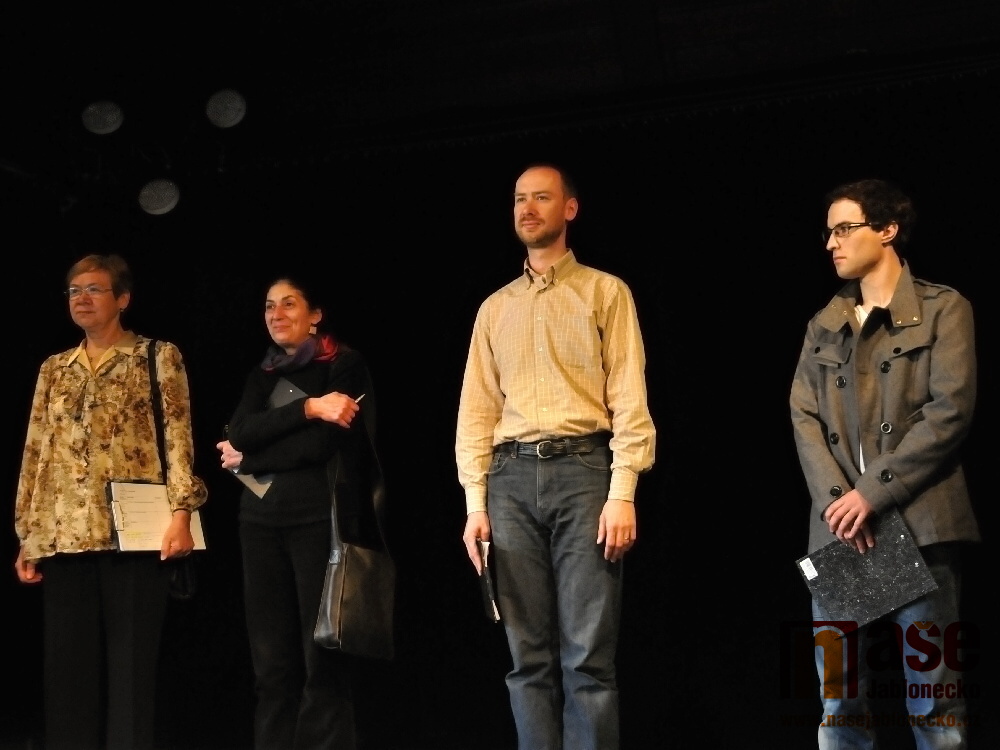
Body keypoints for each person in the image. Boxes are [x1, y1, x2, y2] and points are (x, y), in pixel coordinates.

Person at [455, 163, 656, 750]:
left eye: (541, 197)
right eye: (519, 198)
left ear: (569, 208)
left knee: (588, 656)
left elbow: (629, 397)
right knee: (526, 657)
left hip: (584, 471)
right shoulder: (495, 308)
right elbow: (477, 411)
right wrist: (475, 503)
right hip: (510, 479)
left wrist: (623, 491)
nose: (527, 208)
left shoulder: (605, 292)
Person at [789, 178, 982, 748]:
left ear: (888, 230)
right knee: (840, 703)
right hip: (841, 532)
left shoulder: (944, 309)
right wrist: (840, 504)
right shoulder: (825, 322)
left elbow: (949, 412)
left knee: (933, 699)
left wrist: (871, 495)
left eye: (844, 229)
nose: (831, 242)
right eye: (828, 232)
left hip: (918, 523)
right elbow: (803, 416)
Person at [13, 253, 208, 750]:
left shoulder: (156, 356)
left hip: (134, 536)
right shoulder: (55, 368)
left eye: (94, 289)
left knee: (131, 676)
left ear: (122, 298)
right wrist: (27, 534)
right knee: (68, 676)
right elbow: (36, 451)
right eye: (74, 290)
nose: (81, 298)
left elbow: (178, 437)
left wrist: (182, 513)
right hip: (65, 536)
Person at [216, 275, 374, 750]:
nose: (276, 314)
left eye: (288, 304)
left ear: (315, 315)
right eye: (269, 306)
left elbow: (321, 446)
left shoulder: (343, 364)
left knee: (320, 655)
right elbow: (239, 432)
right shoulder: (262, 371)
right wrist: (309, 409)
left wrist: (252, 457)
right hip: (259, 524)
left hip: (316, 521)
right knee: (271, 663)